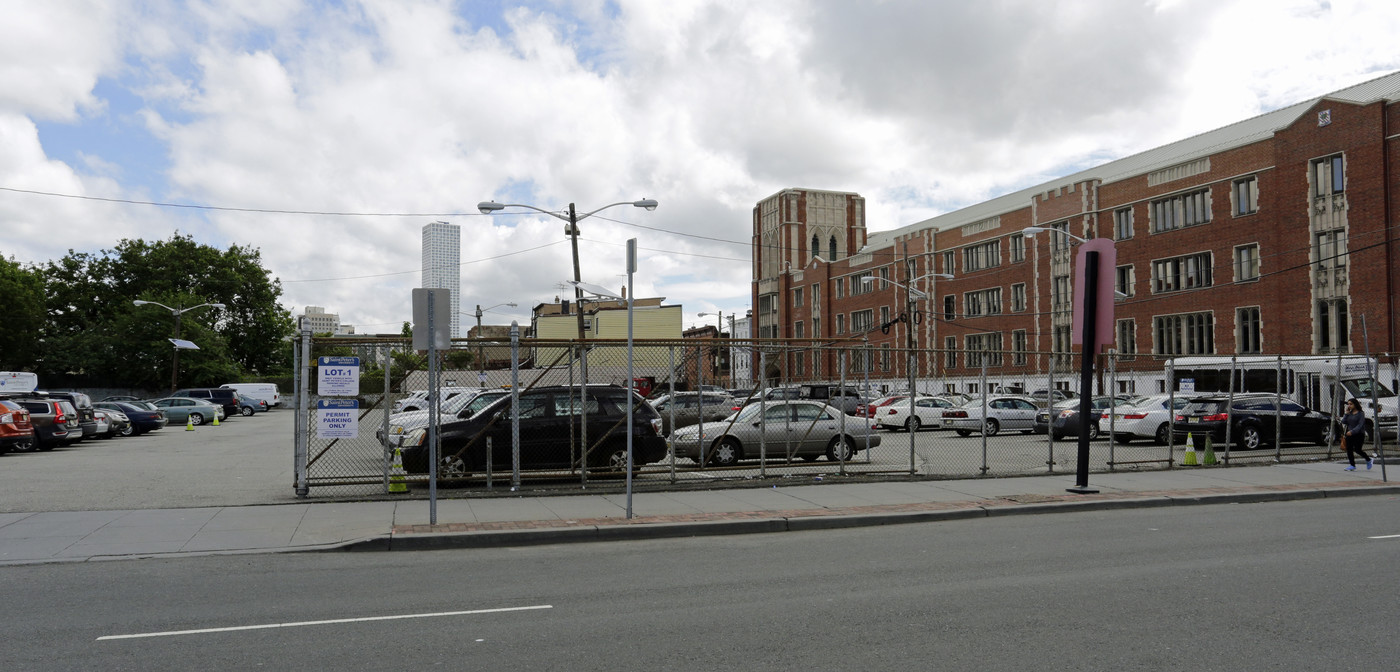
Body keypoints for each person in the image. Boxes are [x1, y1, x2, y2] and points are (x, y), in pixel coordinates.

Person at [1340, 398, 1372, 471]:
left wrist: (1352, 431)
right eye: (1348, 404)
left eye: (1351, 404)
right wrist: (1346, 414)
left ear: (1355, 404)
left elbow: (1360, 425)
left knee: (1358, 449)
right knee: (1349, 449)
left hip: (1359, 434)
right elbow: (1343, 421)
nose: (1349, 406)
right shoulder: (1349, 413)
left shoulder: (1360, 413)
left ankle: (1368, 459)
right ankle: (1352, 465)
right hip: (1349, 434)